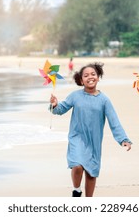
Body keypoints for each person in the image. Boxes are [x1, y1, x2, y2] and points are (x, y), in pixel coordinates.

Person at [49, 62, 132, 197]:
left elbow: (114, 121)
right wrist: (54, 104)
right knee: (77, 165)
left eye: (93, 74)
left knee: (91, 173)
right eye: (86, 75)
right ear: (81, 80)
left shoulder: (104, 100)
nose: (90, 77)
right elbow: (60, 109)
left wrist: (123, 139)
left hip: (94, 141)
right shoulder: (75, 96)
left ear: (98, 77)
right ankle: (76, 190)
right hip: (77, 137)